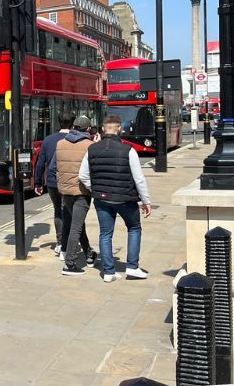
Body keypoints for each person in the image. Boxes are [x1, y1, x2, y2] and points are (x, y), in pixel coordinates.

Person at [79, 115, 152, 282]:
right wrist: (146, 201)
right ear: (119, 128)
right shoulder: (128, 150)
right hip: (125, 198)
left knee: (105, 234)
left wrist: (94, 188)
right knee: (134, 228)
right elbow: (139, 178)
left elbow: (83, 176)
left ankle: (109, 272)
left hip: (101, 198)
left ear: (103, 129)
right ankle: (132, 267)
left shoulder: (92, 149)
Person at [52, 115, 97, 276]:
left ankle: (88, 254)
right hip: (81, 192)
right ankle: (69, 264)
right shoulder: (90, 145)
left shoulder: (60, 144)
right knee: (76, 227)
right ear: (88, 129)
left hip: (65, 192)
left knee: (79, 224)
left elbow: (53, 167)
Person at [34, 111, 74, 256]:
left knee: (58, 210)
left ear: (59, 122)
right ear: (73, 122)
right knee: (70, 212)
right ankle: (68, 242)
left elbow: (40, 163)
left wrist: (38, 183)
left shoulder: (48, 140)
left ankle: (59, 242)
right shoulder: (75, 139)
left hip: (52, 182)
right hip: (69, 181)